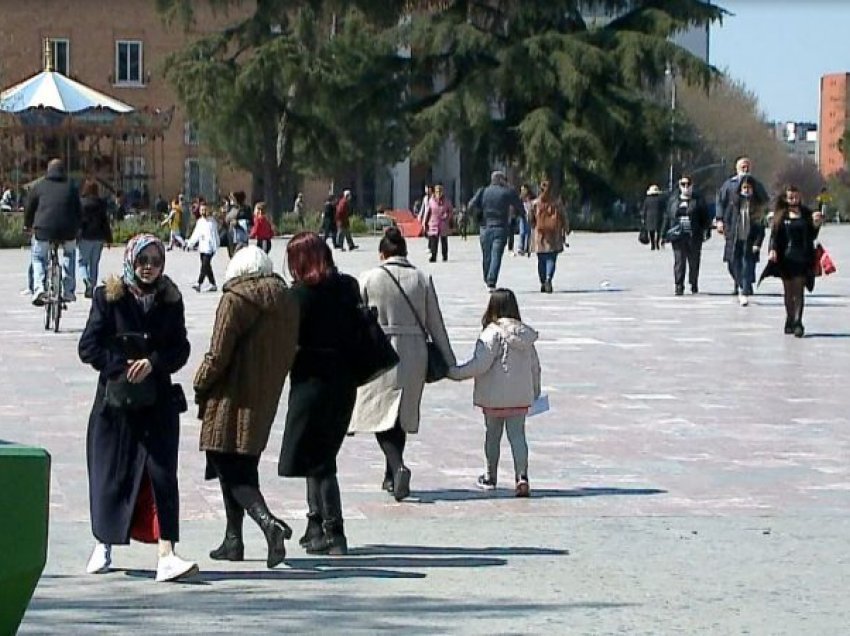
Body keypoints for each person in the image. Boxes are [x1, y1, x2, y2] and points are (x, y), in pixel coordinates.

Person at [78, 233, 197, 582]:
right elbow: (88, 347)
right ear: (131, 260)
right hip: (116, 405)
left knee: (161, 474)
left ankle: (167, 553)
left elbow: (181, 348)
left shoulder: (170, 299)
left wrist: (154, 362)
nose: (149, 268)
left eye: (156, 262)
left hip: (156, 402)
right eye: (143, 261)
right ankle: (104, 542)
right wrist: (123, 365)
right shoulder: (108, 298)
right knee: (111, 475)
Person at [195, 246, 299, 568]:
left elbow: (218, 353)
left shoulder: (234, 299)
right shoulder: (287, 300)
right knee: (243, 466)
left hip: (230, 396)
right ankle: (233, 540)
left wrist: (199, 382)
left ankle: (269, 525)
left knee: (229, 466)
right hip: (264, 396)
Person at [349, 227, 456, 501]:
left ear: (382, 253)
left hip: (379, 351)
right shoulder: (422, 278)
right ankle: (391, 475)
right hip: (414, 352)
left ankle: (396, 467)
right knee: (401, 413)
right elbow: (436, 323)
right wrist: (449, 360)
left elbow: (355, 321)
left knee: (378, 413)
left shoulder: (369, 278)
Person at [279, 232, 362, 555]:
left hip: (311, 382)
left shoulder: (298, 296)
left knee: (320, 459)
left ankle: (334, 531)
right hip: (345, 381)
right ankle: (315, 524)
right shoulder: (348, 286)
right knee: (318, 454)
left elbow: (287, 342)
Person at [448, 289, 540, 496]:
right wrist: (535, 391)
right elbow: (535, 367)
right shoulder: (525, 335)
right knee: (518, 436)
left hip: (494, 396)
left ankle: (491, 475)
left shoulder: (492, 333)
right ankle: (522, 476)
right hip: (519, 396)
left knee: (493, 436)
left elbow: (480, 365)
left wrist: (455, 373)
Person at [762, 186, 823, 337]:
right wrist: (772, 250)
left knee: (799, 291)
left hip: (803, 257)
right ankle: (789, 318)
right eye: (790, 198)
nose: (794, 200)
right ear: (785, 199)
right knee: (789, 292)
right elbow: (774, 236)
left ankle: (798, 322)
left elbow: (812, 235)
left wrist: (816, 224)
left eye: (796, 197)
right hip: (785, 258)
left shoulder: (806, 214)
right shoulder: (781, 215)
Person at [24, 158, 82, 305]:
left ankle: (38, 288)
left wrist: (27, 225)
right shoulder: (71, 187)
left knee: (38, 257)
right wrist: (79, 227)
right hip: (68, 230)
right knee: (69, 254)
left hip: (43, 229)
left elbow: (29, 208)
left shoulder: (39, 186)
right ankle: (68, 291)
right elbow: (79, 210)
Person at [716, 157, 769, 293]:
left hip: (750, 227)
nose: (745, 170)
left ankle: (745, 285)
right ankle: (739, 283)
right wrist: (720, 220)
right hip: (733, 226)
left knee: (748, 258)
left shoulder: (756, 184)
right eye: (742, 167)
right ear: (737, 168)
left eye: (747, 167)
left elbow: (765, 201)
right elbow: (721, 203)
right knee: (732, 259)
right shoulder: (729, 185)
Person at [467, 170, 524, 291]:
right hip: (500, 227)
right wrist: (522, 217)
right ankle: (491, 281)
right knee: (496, 255)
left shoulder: (483, 191)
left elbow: (470, 206)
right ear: (501, 180)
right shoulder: (507, 192)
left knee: (486, 255)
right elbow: (519, 206)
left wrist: (476, 216)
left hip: (484, 227)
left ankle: (487, 277)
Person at [663, 175, 711, 296]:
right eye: (683, 184)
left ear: (692, 185)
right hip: (678, 236)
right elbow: (667, 217)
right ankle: (679, 285)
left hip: (694, 236)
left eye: (688, 184)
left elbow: (705, 218)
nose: (685, 187)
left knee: (694, 262)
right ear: (679, 186)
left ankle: (693, 282)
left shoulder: (698, 201)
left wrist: (707, 231)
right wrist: (663, 234)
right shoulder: (673, 201)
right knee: (679, 262)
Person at [529, 180, 570, 294]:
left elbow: (530, 219)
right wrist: (566, 229)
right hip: (554, 234)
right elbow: (564, 217)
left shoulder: (535, 203)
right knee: (551, 258)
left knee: (541, 260)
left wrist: (534, 226)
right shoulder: (557, 203)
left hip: (540, 235)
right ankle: (548, 279)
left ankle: (542, 282)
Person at [78, 179, 113, 299]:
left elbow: (79, 221)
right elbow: (105, 222)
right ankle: (92, 286)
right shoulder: (101, 204)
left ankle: (86, 280)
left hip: (86, 236)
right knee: (94, 263)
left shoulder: (81, 203)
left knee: (82, 262)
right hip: (99, 237)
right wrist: (109, 238)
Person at [186, 203, 220, 292]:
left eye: (205, 210)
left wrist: (215, 247)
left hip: (210, 248)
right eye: (202, 210)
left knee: (204, 266)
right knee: (207, 267)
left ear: (208, 210)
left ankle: (199, 283)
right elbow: (196, 234)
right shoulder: (200, 222)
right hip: (202, 247)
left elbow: (215, 235)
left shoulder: (212, 222)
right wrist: (190, 244)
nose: (203, 212)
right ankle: (213, 284)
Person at [422, 183, 453, 262]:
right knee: (433, 242)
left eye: (440, 191)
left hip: (443, 224)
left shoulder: (447, 201)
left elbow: (450, 211)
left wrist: (447, 216)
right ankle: (433, 256)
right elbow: (427, 212)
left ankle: (444, 256)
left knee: (444, 241)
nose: (439, 193)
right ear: (434, 192)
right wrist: (425, 223)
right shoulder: (431, 201)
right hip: (433, 223)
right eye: (437, 191)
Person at [641, 184, 665, 250]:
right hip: (658, 216)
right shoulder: (660, 200)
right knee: (658, 231)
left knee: (651, 231)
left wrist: (643, 217)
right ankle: (657, 243)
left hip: (649, 217)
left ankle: (652, 244)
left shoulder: (647, 200)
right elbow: (663, 209)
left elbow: (644, 209)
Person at [517, 184, 533, 256]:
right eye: (521, 189)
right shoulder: (520, 198)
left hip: (530, 216)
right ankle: (521, 248)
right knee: (522, 232)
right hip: (522, 216)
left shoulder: (532, 197)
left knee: (528, 232)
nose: (522, 191)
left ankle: (527, 248)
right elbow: (517, 206)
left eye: (523, 189)